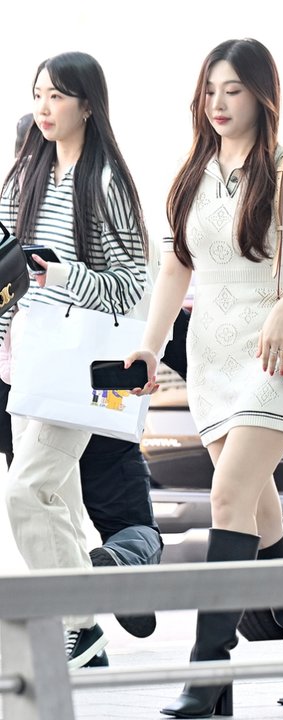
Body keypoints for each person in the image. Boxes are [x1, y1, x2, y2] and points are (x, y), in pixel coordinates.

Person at [127, 37, 283, 717]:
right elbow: (174, 270)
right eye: (210, 90)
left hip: (273, 357)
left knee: (226, 499)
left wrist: (282, 310)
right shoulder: (190, 173)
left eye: (234, 89)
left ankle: (209, 673)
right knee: (255, 507)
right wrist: (150, 347)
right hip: (210, 360)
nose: (218, 103)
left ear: (261, 94)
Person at [0, 51, 150, 670]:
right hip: (28, 363)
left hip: (81, 369)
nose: (44, 107)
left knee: (24, 493)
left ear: (88, 105)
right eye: (38, 94)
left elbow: (133, 287)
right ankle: (82, 630)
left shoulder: (107, 183)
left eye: (57, 95)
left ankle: (78, 624)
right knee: (54, 500)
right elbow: (6, 271)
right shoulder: (24, 176)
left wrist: (62, 276)